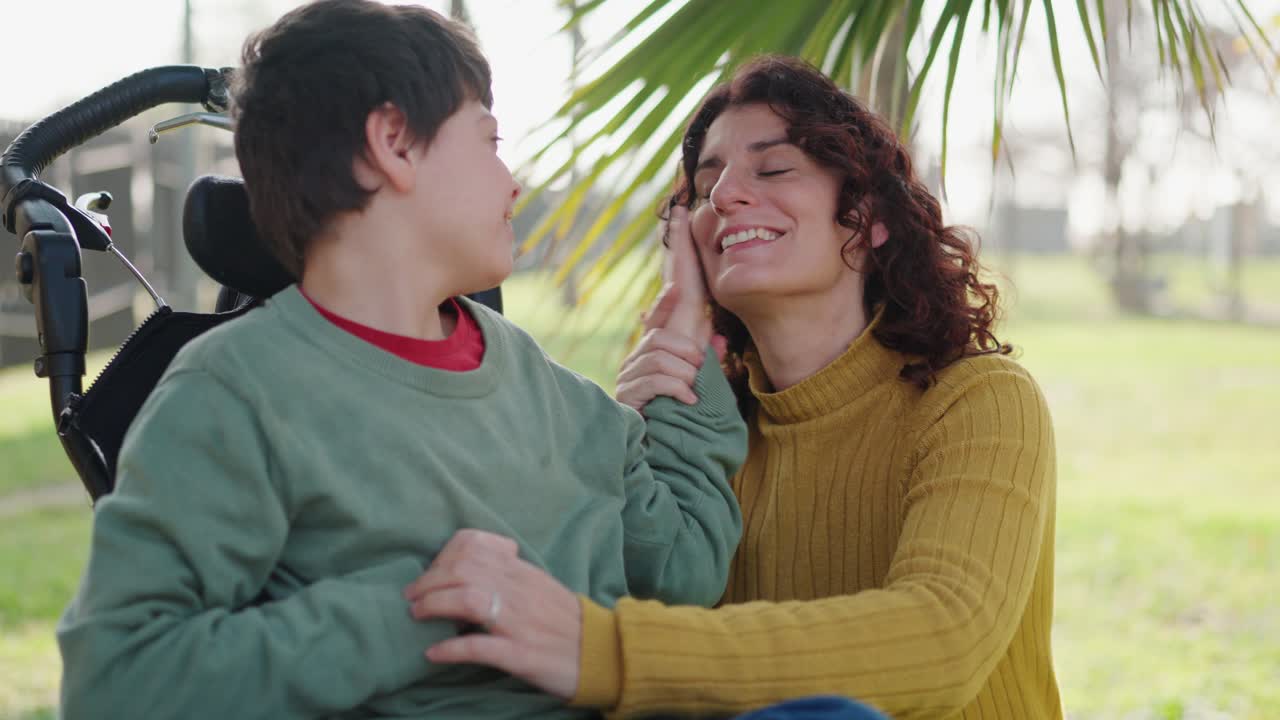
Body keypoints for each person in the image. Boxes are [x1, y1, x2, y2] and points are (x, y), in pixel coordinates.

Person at [54, 2, 747, 718]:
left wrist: (686, 336)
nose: (514, 180)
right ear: (394, 142)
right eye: (490, 139)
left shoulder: (535, 380)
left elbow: (679, 571)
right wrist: (413, 611)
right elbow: (115, 682)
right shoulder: (237, 394)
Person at [404, 55, 1062, 719]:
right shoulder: (700, 431)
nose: (725, 197)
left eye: (774, 169)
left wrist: (606, 651)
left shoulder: (978, 400)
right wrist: (624, 437)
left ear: (867, 218)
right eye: (705, 186)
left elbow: (942, 641)